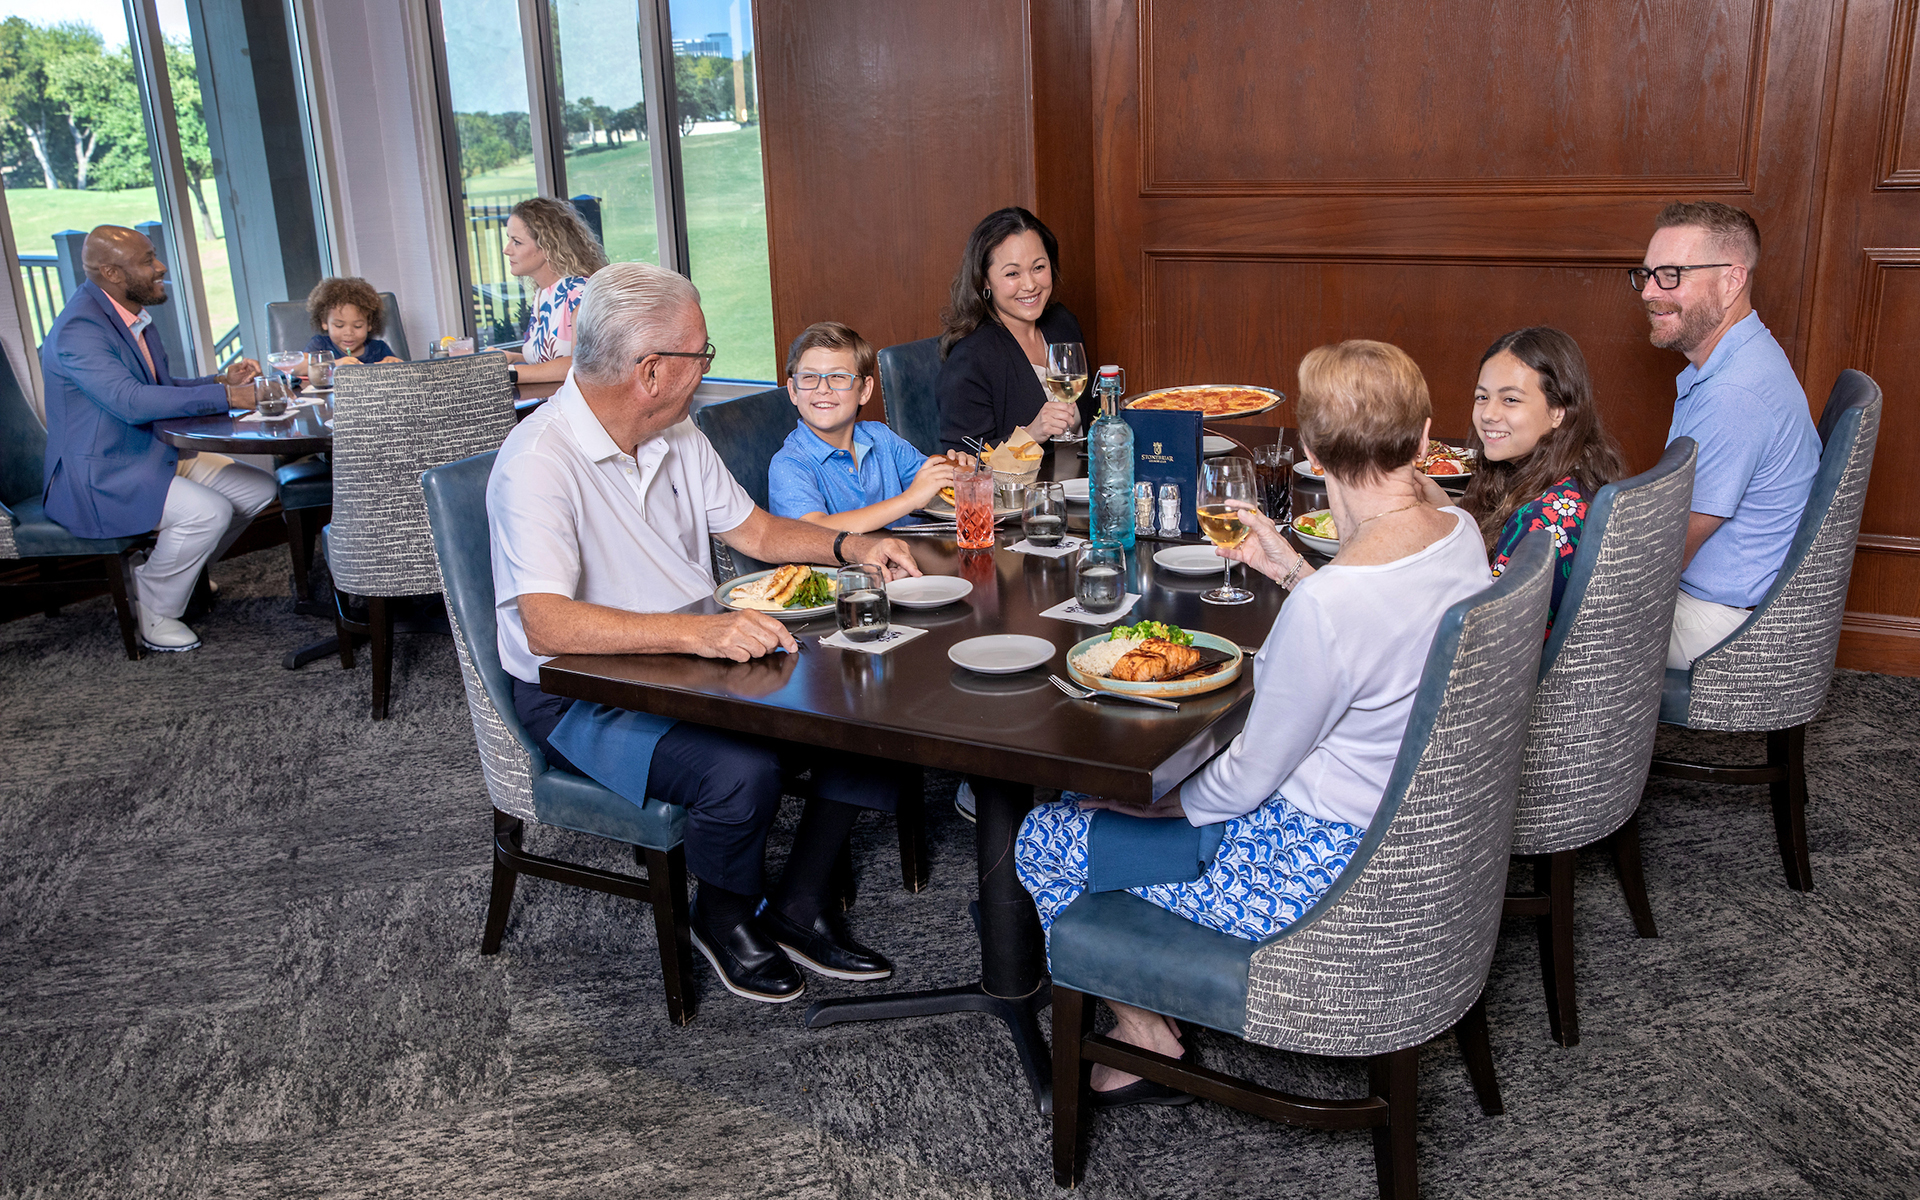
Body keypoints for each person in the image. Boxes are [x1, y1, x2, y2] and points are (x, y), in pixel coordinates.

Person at [1015, 340, 1492, 1107]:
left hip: (1323, 878)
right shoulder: (1460, 532)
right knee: (1101, 805)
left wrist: (1160, 803)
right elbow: (1382, 639)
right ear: (1426, 435)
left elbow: (1243, 782)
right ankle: (1145, 1000)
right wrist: (1295, 571)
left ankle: (1143, 1034)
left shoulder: (1330, 607)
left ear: (1310, 452)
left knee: (1045, 833)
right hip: (1418, 844)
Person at [488, 262, 925, 1005]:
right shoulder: (538, 462)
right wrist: (701, 636)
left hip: (691, 658)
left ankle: (800, 903)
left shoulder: (675, 430)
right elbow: (546, 624)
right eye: (702, 354)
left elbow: (757, 531)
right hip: (580, 691)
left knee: (866, 702)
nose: (706, 367)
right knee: (740, 772)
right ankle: (721, 915)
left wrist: (852, 547)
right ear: (651, 371)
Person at [39, 225, 275, 653]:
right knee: (208, 512)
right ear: (112, 272)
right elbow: (131, 401)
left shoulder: (130, 314)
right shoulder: (79, 329)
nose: (161, 267)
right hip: (101, 472)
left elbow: (158, 387)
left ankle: (168, 574)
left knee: (258, 489)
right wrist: (226, 397)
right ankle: (155, 606)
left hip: (148, 452)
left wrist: (220, 381)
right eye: (148, 260)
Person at [1635, 201, 1819, 668]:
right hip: (1719, 600)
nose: (1649, 292)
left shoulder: (1735, 393)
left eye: (1671, 275)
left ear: (1732, 280)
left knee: (1530, 624)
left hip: (1722, 622)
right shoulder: (1744, 355)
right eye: (1648, 274)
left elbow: (1670, 548)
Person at [1434, 327, 1625, 633]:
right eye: (1482, 397)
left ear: (1558, 411)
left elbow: (1490, 631)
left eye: (1510, 399)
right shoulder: (1571, 472)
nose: (1488, 414)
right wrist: (1446, 510)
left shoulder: (1547, 518)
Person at [768, 321, 963, 531]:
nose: (822, 389)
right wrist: (911, 498)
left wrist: (962, 476)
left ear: (864, 390)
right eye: (809, 377)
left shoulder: (881, 437)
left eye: (838, 377)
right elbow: (812, 532)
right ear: (793, 391)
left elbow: (932, 489)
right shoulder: (788, 464)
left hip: (914, 550)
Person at [935, 206, 1089, 451]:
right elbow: (962, 462)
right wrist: (1031, 434)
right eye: (1012, 273)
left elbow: (1091, 416)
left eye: (1038, 268)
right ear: (985, 281)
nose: (1029, 285)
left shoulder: (1062, 322)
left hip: (1085, 471)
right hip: (1030, 478)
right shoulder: (970, 359)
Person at [498, 196, 608, 384]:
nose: (506, 250)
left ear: (548, 246)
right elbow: (550, 361)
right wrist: (513, 358)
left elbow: (582, 366)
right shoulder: (543, 294)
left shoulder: (580, 294)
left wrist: (512, 373)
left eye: (516, 242)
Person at [299, 277, 403, 368]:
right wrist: (335, 364)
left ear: (369, 324)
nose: (349, 333)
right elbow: (297, 367)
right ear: (324, 323)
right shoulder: (320, 345)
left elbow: (402, 373)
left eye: (358, 326)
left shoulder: (379, 349)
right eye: (339, 326)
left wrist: (395, 364)